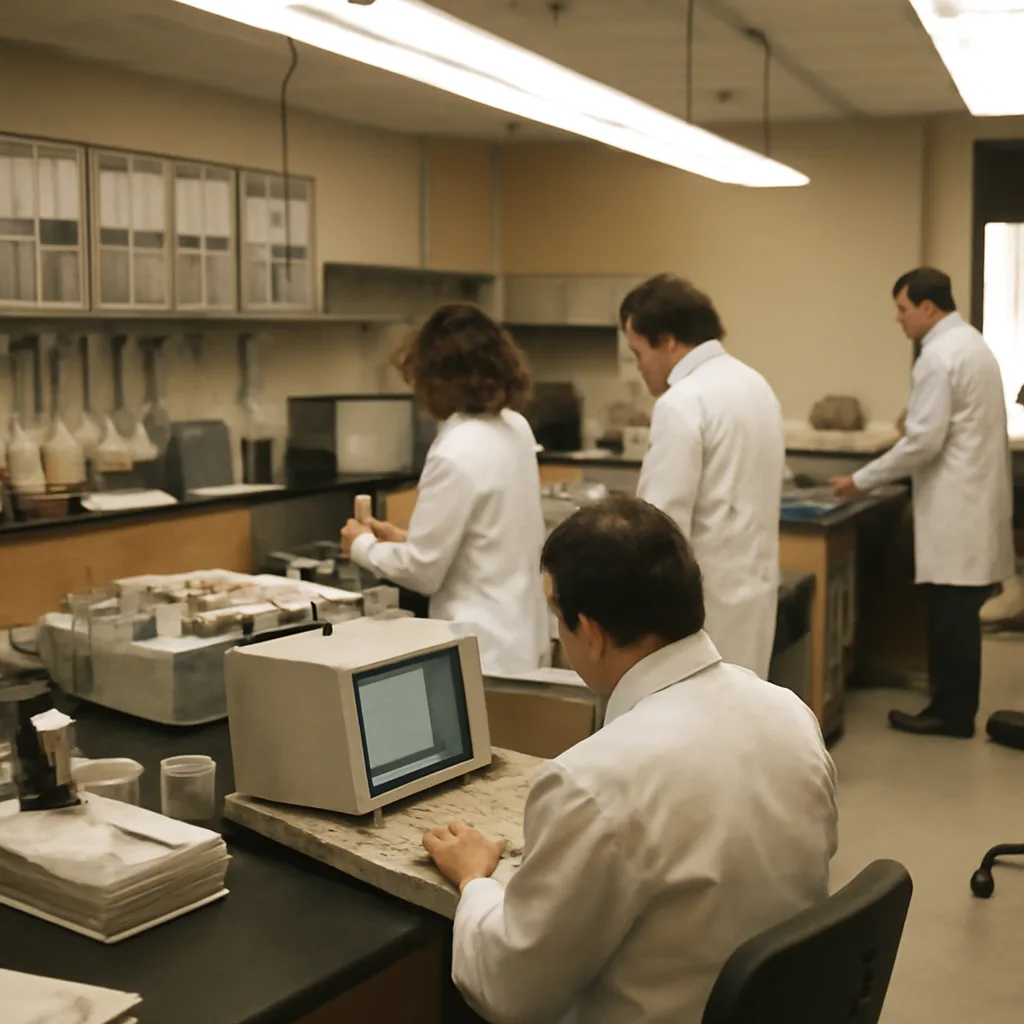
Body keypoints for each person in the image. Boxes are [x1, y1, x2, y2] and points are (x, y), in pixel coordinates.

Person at [423, 496, 838, 1024]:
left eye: (557, 616)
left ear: (590, 634)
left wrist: (475, 880)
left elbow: (509, 993)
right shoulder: (791, 715)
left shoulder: (593, 781)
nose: (557, 633)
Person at [834, 268, 1015, 739]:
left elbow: (922, 443)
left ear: (928, 308)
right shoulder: (972, 345)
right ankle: (951, 706)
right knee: (956, 613)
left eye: (903, 308)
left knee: (952, 616)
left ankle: (951, 715)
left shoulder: (938, 356)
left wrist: (860, 480)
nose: (899, 319)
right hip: (972, 502)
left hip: (959, 508)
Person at [341, 304, 549, 676]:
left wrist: (362, 546)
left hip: (482, 651)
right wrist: (407, 540)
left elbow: (423, 573)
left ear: (435, 376)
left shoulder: (457, 450)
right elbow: (489, 537)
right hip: (522, 638)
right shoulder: (515, 428)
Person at [621, 274, 785, 678]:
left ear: (669, 341)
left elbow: (658, 527)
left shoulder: (683, 401)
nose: (639, 368)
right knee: (742, 719)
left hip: (702, 610)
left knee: (698, 728)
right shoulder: (755, 384)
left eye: (638, 352)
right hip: (753, 595)